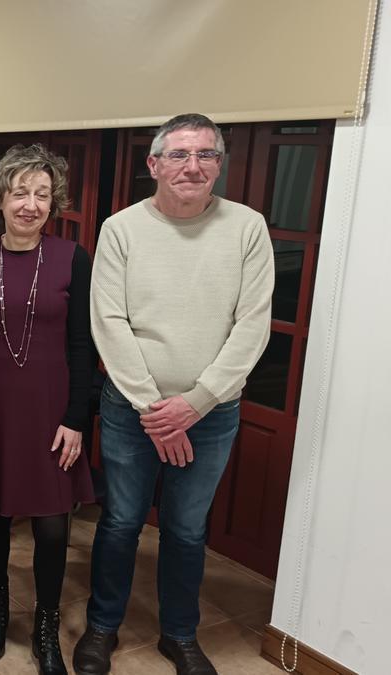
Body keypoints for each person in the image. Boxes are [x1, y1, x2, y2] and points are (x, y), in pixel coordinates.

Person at [74, 113, 274, 675]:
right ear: (154, 164)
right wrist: (153, 408)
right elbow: (108, 321)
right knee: (119, 521)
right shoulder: (121, 229)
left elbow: (253, 326)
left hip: (211, 415)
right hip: (129, 410)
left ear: (219, 164)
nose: (193, 166)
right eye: (180, 155)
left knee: (187, 529)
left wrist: (196, 403)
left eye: (206, 155)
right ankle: (102, 626)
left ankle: (180, 634)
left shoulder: (247, 228)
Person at [0, 144, 95, 674]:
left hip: (52, 411)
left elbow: (82, 343)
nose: (30, 204)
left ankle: (46, 625)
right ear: (1, 199)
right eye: (20, 193)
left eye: (41, 193)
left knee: (53, 526)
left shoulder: (72, 257)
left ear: (53, 201)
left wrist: (77, 418)